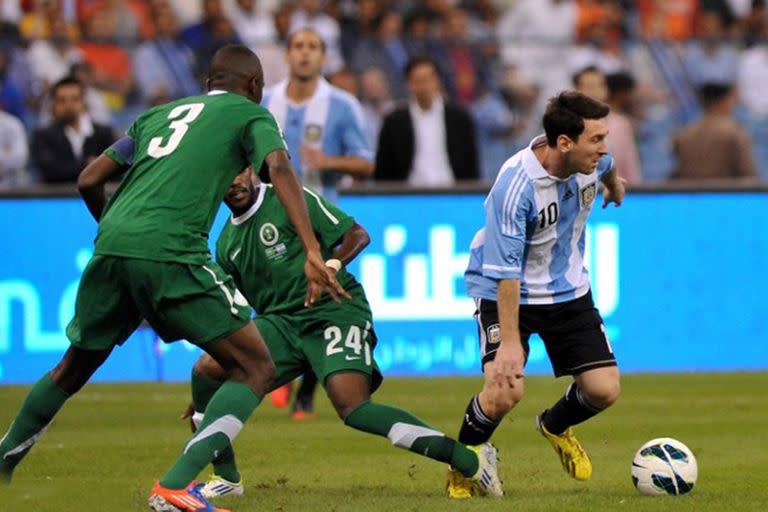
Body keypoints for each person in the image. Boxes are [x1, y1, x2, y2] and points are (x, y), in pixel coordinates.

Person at [0, 45, 345, 512]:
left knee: (74, 366)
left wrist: (119, 236)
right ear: (255, 88)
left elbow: (89, 178)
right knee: (257, 367)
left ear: (207, 85)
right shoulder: (250, 113)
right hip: (171, 248)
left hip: (113, 242)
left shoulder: (156, 116)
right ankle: (176, 486)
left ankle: (4, 461)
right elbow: (279, 167)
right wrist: (310, 248)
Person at [183, 167, 503, 500]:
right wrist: (219, 377)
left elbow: (358, 235)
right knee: (206, 370)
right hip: (281, 323)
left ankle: (470, 460)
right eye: (224, 175)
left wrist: (331, 266)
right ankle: (227, 478)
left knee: (354, 408)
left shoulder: (288, 199)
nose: (234, 181)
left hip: (333, 311)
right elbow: (248, 311)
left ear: (251, 169)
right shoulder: (226, 245)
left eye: (239, 171)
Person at [447, 91, 625, 499]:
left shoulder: (590, 162)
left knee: (604, 390)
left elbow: (609, 167)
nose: (603, 148)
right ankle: (466, 461)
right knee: (505, 389)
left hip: (567, 292)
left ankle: (555, 424)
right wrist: (510, 343)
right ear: (565, 143)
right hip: (507, 291)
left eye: (604, 138)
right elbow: (506, 271)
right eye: (596, 139)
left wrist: (615, 185)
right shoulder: (517, 185)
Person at [262, 27, 374, 417]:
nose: (305, 54)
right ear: (287, 54)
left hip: (320, 220)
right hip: (269, 220)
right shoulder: (264, 102)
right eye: (298, 46)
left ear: (323, 57)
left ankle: (305, 393)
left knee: (317, 300)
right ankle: (278, 372)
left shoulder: (341, 105)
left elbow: (365, 161)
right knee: (272, 298)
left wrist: (329, 162)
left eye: (312, 47)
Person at [375, 56, 479, 186]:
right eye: (417, 81)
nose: (424, 86)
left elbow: (471, 163)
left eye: (428, 80)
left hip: (451, 192)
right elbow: (384, 168)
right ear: (409, 84)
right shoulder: (394, 121)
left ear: (437, 81)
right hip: (408, 194)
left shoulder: (459, 119)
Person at [31, 76, 115, 184]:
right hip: (57, 198)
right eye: (62, 100)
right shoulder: (43, 136)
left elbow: (114, 171)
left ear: (83, 102)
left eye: (74, 99)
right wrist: (89, 165)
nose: (68, 105)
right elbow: (50, 171)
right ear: (53, 105)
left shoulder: (104, 134)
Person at [671, 83, 758, 181]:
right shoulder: (734, 132)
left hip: (692, 193)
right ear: (723, 102)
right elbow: (748, 174)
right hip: (726, 193)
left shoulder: (685, 133)